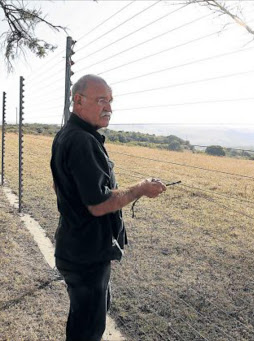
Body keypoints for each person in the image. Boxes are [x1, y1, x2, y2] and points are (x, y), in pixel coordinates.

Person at [50, 74, 166, 341]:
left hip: (77, 246)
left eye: (111, 101)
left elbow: (59, 187)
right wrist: (140, 188)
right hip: (86, 255)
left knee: (85, 321)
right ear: (78, 101)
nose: (109, 108)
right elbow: (98, 205)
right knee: (87, 332)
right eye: (101, 100)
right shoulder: (82, 140)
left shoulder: (66, 135)